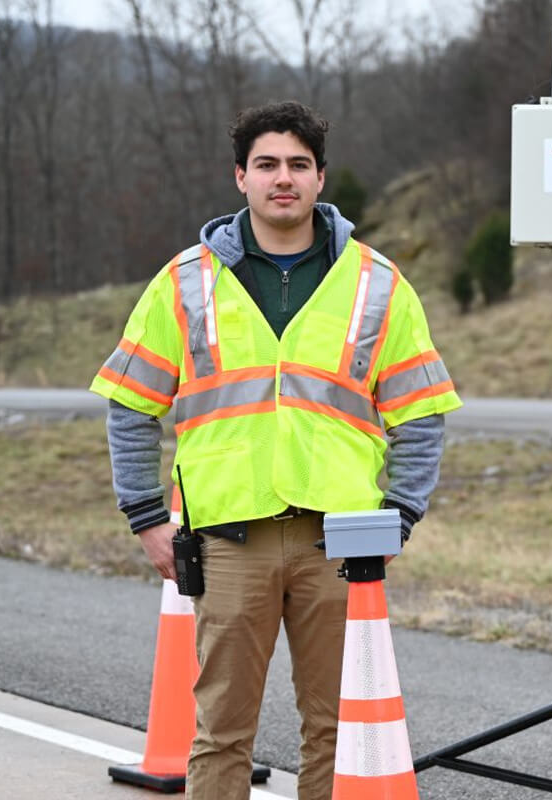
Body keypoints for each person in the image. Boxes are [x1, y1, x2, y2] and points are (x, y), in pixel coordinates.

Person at [91, 100, 461, 800]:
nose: (282, 178)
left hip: (343, 542)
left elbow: (423, 413)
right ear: (240, 178)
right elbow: (130, 402)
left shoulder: (378, 283)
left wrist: (398, 517)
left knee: (336, 728)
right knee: (222, 732)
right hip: (230, 538)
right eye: (267, 164)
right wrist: (146, 517)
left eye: (298, 164)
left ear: (322, 178)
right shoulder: (187, 280)